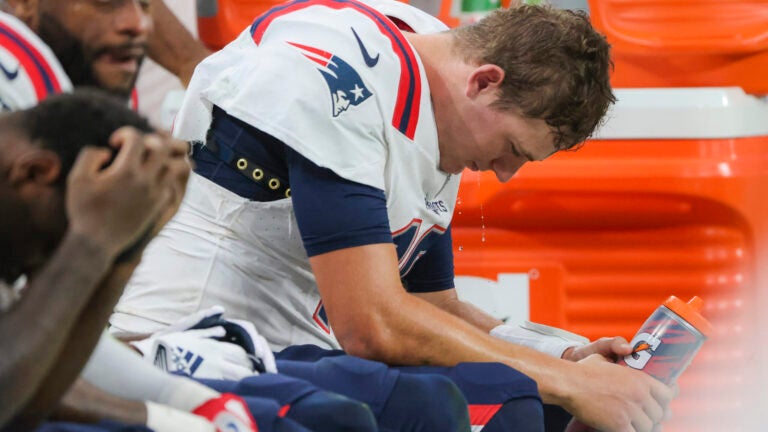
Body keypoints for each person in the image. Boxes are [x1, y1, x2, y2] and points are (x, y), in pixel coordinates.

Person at [111, 0, 677, 431]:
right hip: (192, 344)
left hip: (291, 346)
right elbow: (371, 326)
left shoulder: (446, 80)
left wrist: (564, 356)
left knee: (536, 402)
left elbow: (432, 308)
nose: (505, 174)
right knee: (487, 404)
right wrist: (569, 383)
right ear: (485, 82)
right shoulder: (337, 80)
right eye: (512, 149)